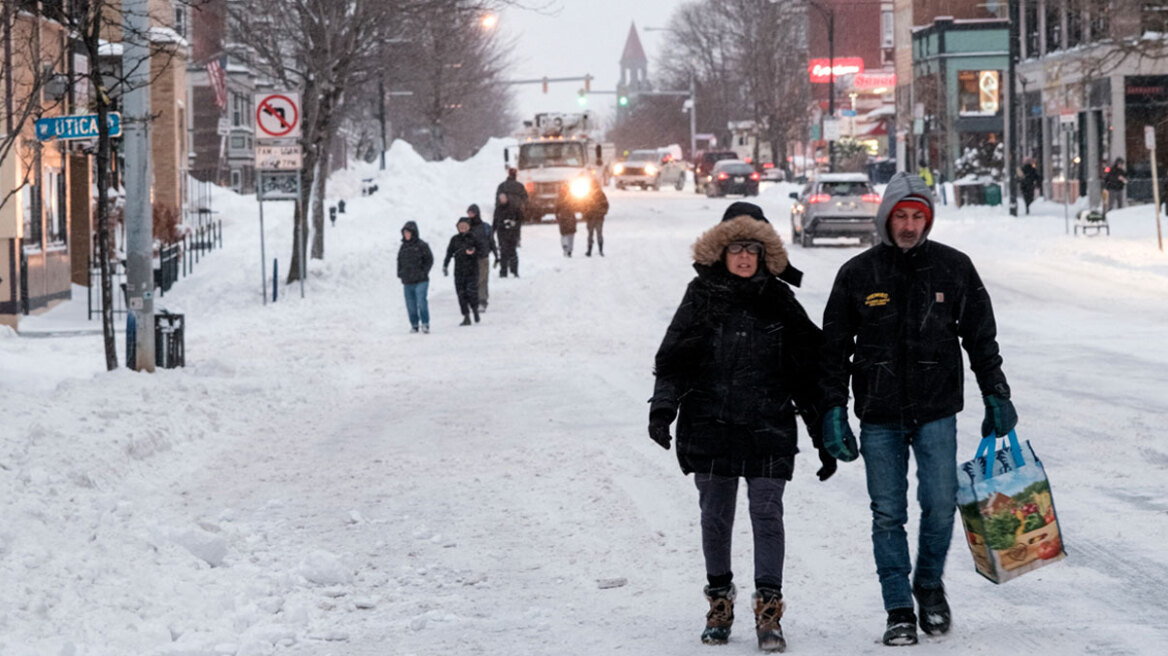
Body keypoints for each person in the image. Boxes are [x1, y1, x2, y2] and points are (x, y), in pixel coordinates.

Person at [819, 172, 1016, 646]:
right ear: (887, 217)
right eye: (901, 216)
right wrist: (832, 409)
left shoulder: (954, 268)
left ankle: (928, 585)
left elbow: (981, 338)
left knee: (941, 505)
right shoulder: (858, 274)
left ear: (927, 220)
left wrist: (996, 392)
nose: (909, 226)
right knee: (888, 513)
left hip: (936, 410)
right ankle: (898, 608)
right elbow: (833, 350)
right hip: (879, 412)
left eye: (918, 217)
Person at [649, 202, 835, 653]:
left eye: (753, 248)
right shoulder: (701, 296)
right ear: (721, 251)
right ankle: (719, 602)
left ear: (765, 253)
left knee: (767, 512)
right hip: (710, 422)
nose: (745, 257)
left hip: (768, 425)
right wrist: (663, 408)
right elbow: (674, 359)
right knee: (716, 515)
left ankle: (768, 607)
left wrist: (822, 435)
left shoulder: (780, 302)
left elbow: (807, 374)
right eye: (736, 248)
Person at [397, 220, 434, 334]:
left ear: (414, 233)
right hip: (407, 281)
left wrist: (424, 272)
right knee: (410, 304)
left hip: (421, 280)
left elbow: (429, 260)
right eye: (405, 233)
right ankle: (414, 324)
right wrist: (400, 273)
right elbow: (399, 261)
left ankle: (425, 323)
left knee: (421, 301)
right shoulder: (403, 247)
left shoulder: (422, 245)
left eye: (408, 232)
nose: (406, 235)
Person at [443, 217, 480, 326]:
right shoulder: (454, 239)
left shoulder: (473, 238)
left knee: (471, 293)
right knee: (461, 294)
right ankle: (466, 316)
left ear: (469, 227)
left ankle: (475, 310)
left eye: (465, 226)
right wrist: (445, 265)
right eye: (460, 227)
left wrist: (473, 252)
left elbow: (481, 251)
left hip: (472, 270)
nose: (462, 228)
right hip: (459, 271)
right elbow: (449, 253)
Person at [466, 204, 497, 312]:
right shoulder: (466, 227)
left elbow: (491, 242)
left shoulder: (485, 227)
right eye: (469, 213)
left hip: (483, 257)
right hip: (470, 259)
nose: (470, 215)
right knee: (472, 280)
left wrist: (496, 255)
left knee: (482, 280)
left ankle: (482, 301)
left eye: (472, 213)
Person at [493, 191, 522, 277]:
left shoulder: (514, 208)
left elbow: (520, 220)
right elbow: (495, 221)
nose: (502, 200)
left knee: (512, 252)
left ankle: (514, 271)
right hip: (502, 234)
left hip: (512, 234)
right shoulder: (498, 209)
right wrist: (492, 231)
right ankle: (503, 272)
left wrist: (513, 224)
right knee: (503, 252)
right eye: (501, 198)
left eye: (504, 198)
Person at [584, 183, 609, 257]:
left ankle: (589, 250)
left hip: (591, 217)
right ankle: (600, 250)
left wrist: (585, 214)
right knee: (599, 234)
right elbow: (606, 205)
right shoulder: (601, 195)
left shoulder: (588, 195)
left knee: (590, 235)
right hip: (598, 217)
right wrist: (602, 213)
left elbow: (584, 206)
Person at [555, 189, 578, 257]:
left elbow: (556, 210)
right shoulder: (572, 198)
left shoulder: (559, 199)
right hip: (570, 219)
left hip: (563, 219)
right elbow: (577, 206)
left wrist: (557, 217)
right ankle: (569, 250)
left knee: (564, 234)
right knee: (571, 235)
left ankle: (565, 246)